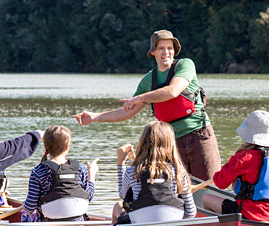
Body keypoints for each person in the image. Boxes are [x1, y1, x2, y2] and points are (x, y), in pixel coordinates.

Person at [71, 29, 220, 181]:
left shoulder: (185, 65)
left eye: (170, 48)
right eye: (161, 48)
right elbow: (127, 112)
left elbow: (173, 91)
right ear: (153, 52)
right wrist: (95, 117)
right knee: (178, 192)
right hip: (170, 143)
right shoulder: (148, 81)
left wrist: (140, 97)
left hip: (199, 136)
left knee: (209, 188)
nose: (166, 52)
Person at [201, 110, 269, 221]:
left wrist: (227, 167)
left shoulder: (244, 157)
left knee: (206, 198)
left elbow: (220, 182)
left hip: (246, 213)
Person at [111, 121, 196, 224]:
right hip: (173, 222)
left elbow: (122, 195)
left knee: (118, 206)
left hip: (139, 220)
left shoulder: (132, 171)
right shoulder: (178, 171)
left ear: (142, 143)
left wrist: (121, 163)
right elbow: (191, 212)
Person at [22, 125, 99, 222]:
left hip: (47, 224)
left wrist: (25, 206)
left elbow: (30, 207)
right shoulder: (81, 169)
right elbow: (89, 197)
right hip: (76, 223)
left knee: (25, 212)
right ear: (67, 147)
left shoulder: (38, 171)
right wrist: (92, 174)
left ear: (45, 146)